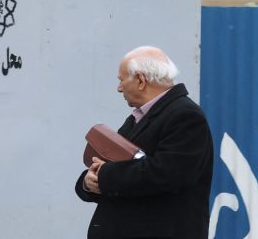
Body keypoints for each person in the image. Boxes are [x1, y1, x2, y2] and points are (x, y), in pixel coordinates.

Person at [75, 46, 213, 239]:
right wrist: (89, 181)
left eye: (121, 80)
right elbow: (119, 168)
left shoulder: (186, 115)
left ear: (141, 80)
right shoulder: (140, 117)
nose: (119, 88)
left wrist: (104, 175)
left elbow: (167, 173)